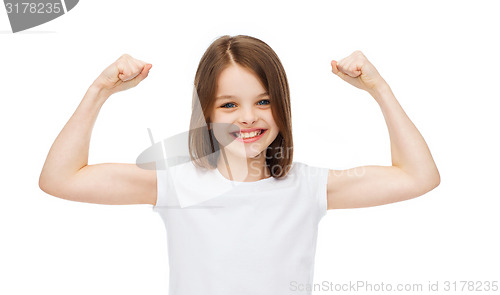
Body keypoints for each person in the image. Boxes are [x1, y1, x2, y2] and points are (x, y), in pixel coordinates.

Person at [39, 35, 440, 294]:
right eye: (229, 104)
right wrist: (100, 90)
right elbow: (60, 179)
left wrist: (379, 89)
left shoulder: (310, 187)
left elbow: (419, 176)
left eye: (263, 101)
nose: (248, 118)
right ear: (207, 113)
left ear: (281, 106)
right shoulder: (177, 183)